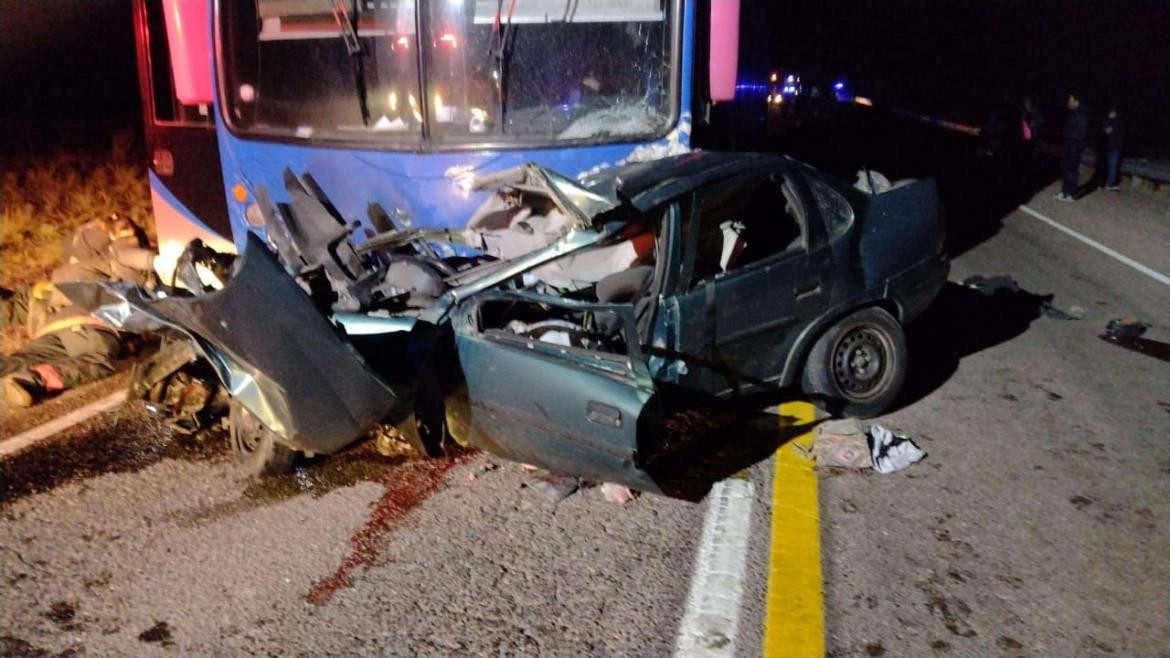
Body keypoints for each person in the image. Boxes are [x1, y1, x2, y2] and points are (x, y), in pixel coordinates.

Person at [1, 214, 156, 408]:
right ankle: (35, 380)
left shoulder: (61, 276)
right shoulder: (112, 262)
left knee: (24, 359)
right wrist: (152, 261)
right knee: (96, 361)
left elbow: (13, 308)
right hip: (91, 324)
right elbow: (132, 266)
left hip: (52, 329)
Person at [1055, 92, 1088, 202]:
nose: (1069, 102)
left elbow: (1081, 133)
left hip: (1075, 147)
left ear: (1076, 102)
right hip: (1068, 146)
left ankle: (1071, 194)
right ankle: (1064, 191)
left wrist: (1072, 139)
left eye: (1071, 100)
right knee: (1065, 169)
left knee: (1072, 171)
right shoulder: (1071, 113)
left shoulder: (1081, 114)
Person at [1103, 104, 1125, 191]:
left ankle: (1110, 183)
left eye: (1112, 112)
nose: (1110, 114)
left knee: (1112, 166)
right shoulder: (1109, 121)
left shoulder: (1117, 123)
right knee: (1111, 166)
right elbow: (1106, 132)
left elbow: (1119, 136)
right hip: (1111, 147)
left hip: (1114, 148)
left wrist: (1118, 146)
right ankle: (1109, 183)